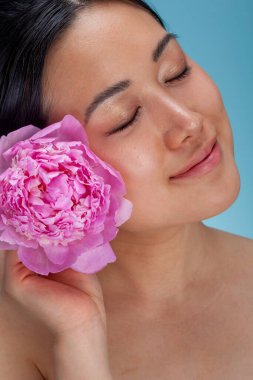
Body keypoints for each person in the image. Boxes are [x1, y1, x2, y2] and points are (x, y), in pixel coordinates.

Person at [0, 1, 253, 379]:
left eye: (176, 71)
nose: (189, 122)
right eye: (125, 119)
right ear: (39, 167)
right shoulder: (12, 338)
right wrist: (77, 341)